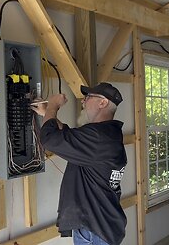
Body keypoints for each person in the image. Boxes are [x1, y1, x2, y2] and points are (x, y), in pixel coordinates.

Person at [32, 82, 127, 245]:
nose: (83, 102)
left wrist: (53, 105)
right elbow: (67, 135)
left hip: (93, 231)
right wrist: (47, 114)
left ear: (102, 103)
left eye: (88, 97)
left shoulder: (98, 137)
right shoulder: (106, 134)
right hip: (102, 227)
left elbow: (49, 138)